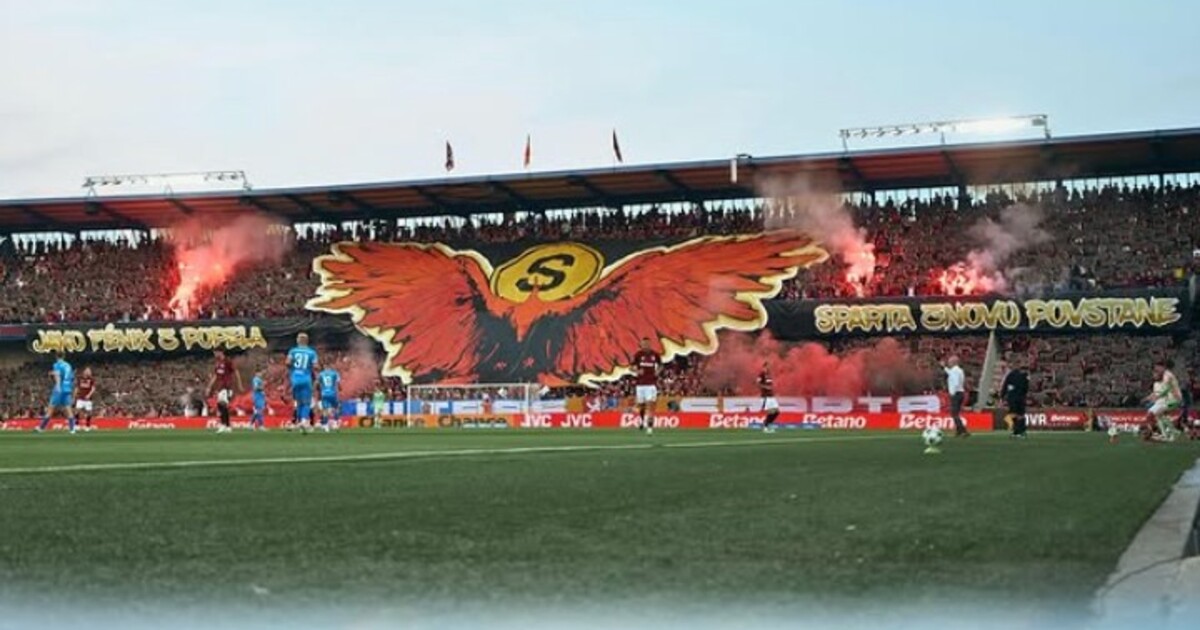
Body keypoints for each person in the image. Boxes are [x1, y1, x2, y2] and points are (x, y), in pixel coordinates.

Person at [36, 351, 77, 434]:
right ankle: (72, 429)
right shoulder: (68, 365)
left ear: (56, 356)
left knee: (51, 408)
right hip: (67, 388)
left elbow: (57, 375)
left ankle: (41, 427)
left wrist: (58, 386)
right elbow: (71, 377)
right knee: (68, 409)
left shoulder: (56, 365)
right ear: (64, 356)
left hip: (59, 389)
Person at [286, 333, 319, 434]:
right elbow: (316, 366)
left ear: (298, 341)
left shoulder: (293, 351)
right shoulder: (312, 352)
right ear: (307, 341)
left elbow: (287, 362)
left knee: (298, 402)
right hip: (306, 378)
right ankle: (304, 421)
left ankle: (299, 422)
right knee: (306, 402)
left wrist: (293, 369)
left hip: (295, 379)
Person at [1143, 359, 1182, 442]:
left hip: (1174, 399)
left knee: (1157, 414)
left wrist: (1158, 396)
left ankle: (1170, 433)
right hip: (1172, 399)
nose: (1156, 370)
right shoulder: (1166, 374)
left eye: (1157, 368)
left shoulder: (1167, 375)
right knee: (1159, 415)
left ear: (1162, 367)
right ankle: (1172, 432)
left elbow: (1167, 389)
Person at [207, 349, 243, 434]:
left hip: (226, 386)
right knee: (221, 405)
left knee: (222, 404)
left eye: (216, 352)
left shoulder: (227, 361)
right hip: (219, 387)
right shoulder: (218, 363)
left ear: (221, 352)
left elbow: (236, 372)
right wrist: (209, 387)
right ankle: (226, 425)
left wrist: (239, 384)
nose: (215, 354)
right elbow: (215, 376)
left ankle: (225, 425)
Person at [631, 338, 659, 435]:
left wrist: (658, 371)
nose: (645, 345)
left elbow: (661, 365)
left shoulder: (655, 355)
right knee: (641, 406)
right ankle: (642, 421)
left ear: (650, 344)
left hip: (651, 384)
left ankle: (650, 428)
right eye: (643, 344)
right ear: (641, 344)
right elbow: (631, 367)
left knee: (650, 405)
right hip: (640, 385)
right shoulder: (638, 355)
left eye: (647, 343)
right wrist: (637, 371)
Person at [1000, 359, 1030, 439]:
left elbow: (1005, 386)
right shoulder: (1019, 375)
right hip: (1017, 398)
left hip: (1015, 398)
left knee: (1017, 414)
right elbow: (1026, 387)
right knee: (1018, 414)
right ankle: (1019, 431)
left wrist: (1003, 396)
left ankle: (1019, 431)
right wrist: (1003, 396)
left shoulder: (1015, 375)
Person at [941, 355, 969, 437]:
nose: (948, 363)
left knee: (954, 413)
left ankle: (963, 430)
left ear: (953, 362)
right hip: (960, 393)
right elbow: (950, 373)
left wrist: (952, 392)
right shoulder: (959, 370)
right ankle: (959, 431)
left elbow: (956, 382)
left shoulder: (955, 371)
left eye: (949, 362)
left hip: (956, 393)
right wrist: (944, 367)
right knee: (956, 413)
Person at [317, 364, 341, 432]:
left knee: (325, 409)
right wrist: (340, 388)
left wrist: (320, 390)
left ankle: (325, 425)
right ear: (330, 367)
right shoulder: (335, 373)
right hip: (332, 393)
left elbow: (318, 384)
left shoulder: (321, 374)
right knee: (336, 407)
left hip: (324, 393)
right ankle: (335, 423)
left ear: (324, 367)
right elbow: (338, 383)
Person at [758, 361, 780, 433]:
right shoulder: (761, 374)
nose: (768, 367)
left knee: (777, 412)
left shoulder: (769, 375)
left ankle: (768, 424)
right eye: (767, 366)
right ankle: (765, 427)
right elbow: (758, 383)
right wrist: (765, 387)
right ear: (764, 366)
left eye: (769, 366)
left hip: (771, 395)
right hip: (766, 396)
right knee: (771, 411)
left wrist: (772, 389)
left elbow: (770, 385)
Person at [74, 367, 97, 432]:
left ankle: (87, 426)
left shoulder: (92, 379)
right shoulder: (79, 378)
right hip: (80, 397)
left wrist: (89, 395)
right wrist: (75, 395)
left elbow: (93, 388)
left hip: (88, 399)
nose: (89, 372)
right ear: (84, 371)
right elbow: (77, 387)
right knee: (77, 411)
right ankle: (76, 425)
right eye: (87, 371)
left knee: (89, 412)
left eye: (89, 371)